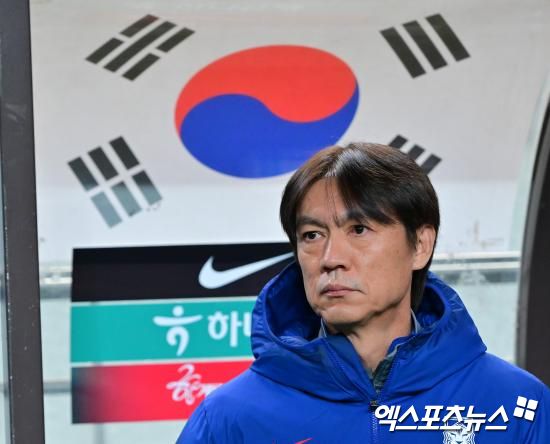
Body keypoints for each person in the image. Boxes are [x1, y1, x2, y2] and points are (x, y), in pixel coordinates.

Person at [177, 143, 549, 443]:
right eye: (312, 235)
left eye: (359, 229)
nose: (330, 258)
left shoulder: (517, 406)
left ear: (420, 245)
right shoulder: (228, 419)